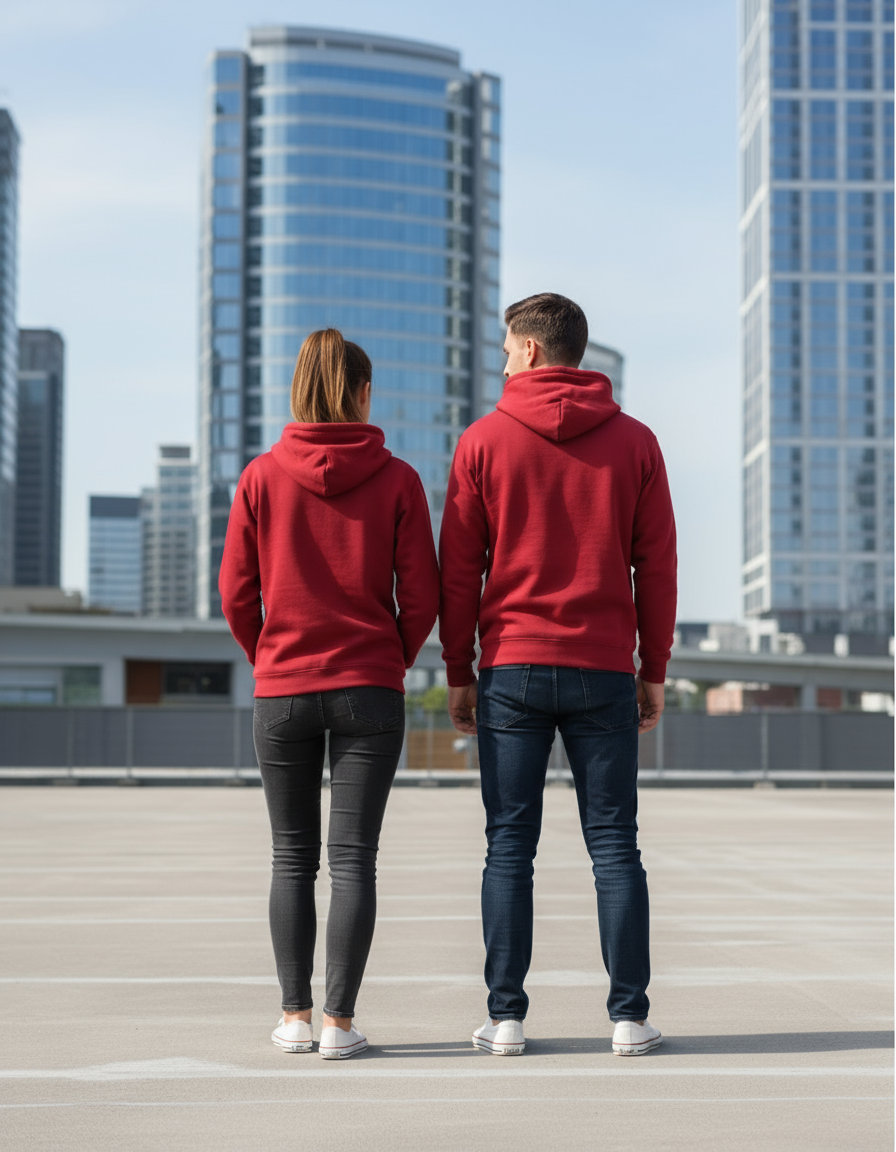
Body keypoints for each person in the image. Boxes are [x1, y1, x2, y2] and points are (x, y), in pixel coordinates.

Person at [439, 293, 676, 1057]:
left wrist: (459, 670)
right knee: (615, 845)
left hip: (511, 667)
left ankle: (505, 1018)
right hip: (603, 669)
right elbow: (657, 566)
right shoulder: (636, 442)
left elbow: (458, 572)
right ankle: (629, 1018)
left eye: (507, 347)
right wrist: (653, 668)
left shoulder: (483, 441)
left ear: (533, 350)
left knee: (509, 845)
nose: (503, 360)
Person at [220, 329, 439, 1060]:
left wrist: (271, 659)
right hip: (369, 687)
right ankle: (340, 1027)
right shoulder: (399, 479)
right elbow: (423, 593)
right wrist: (389, 658)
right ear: (364, 394)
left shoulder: (260, 477)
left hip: (282, 689)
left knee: (290, 857)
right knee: (353, 860)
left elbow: (235, 592)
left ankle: (294, 1018)